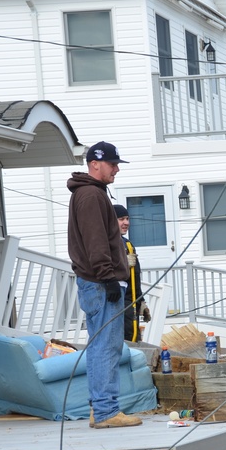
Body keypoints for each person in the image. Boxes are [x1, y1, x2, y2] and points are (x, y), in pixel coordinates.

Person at [68, 141, 142, 429]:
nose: (117, 169)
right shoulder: (90, 196)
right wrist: (109, 276)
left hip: (98, 282)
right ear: (94, 164)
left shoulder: (91, 194)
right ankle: (105, 412)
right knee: (105, 348)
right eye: (112, 164)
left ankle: (99, 408)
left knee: (104, 346)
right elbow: (95, 242)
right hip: (100, 283)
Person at [114, 204, 151, 342]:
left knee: (133, 337)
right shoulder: (106, 243)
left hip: (130, 302)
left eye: (128, 219)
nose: (126, 223)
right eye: (121, 219)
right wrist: (123, 263)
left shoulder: (127, 244)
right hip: (115, 301)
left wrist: (141, 301)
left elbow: (134, 277)